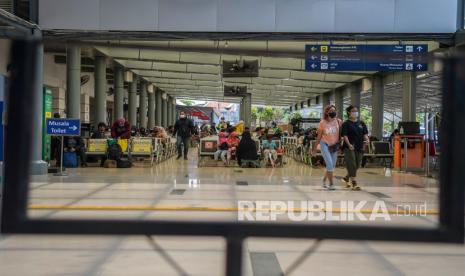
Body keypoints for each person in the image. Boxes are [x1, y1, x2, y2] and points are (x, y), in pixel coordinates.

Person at [312, 105, 342, 190]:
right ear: (327, 112)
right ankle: (331, 184)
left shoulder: (339, 121)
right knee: (329, 163)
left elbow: (341, 135)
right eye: (331, 110)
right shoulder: (323, 122)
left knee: (331, 166)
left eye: (334, 110)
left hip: (334, 145)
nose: (333, 112)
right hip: (324, 144)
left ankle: (324, 179)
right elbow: (319, 137)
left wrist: (340, 146)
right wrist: (314, 149)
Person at [341, 105, 369, 191]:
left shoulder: (361, 123)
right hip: (349, 146)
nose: (355, 112)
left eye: (356, 111)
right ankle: (354, 183)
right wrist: (349, 144)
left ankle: (346, 177)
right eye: (353, 111)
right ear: (349, 112)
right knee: (352, 164)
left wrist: (367, 140)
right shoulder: (346, 124)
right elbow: (344, 135)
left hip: (359, 146)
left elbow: (365, 134)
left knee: (357, 164)